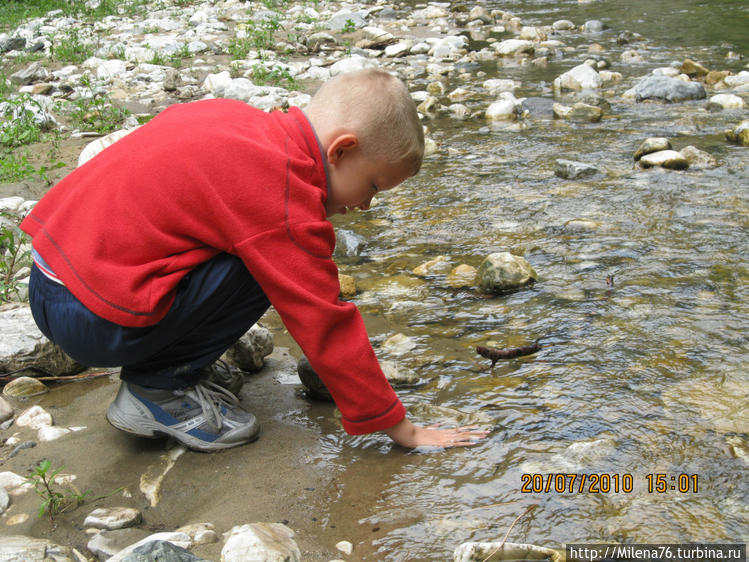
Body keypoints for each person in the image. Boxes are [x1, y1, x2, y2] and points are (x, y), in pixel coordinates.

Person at [21, 69, 488, 452]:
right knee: (265, 266)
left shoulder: (235, 119)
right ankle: (157, 390)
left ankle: (164, 369)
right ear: (341, 150)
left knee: (244, 246)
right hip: (90, 316)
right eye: (372, 187)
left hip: (52, 275)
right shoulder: (281, 193)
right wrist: (398, 427)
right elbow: (323, 318)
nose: (365, 206)